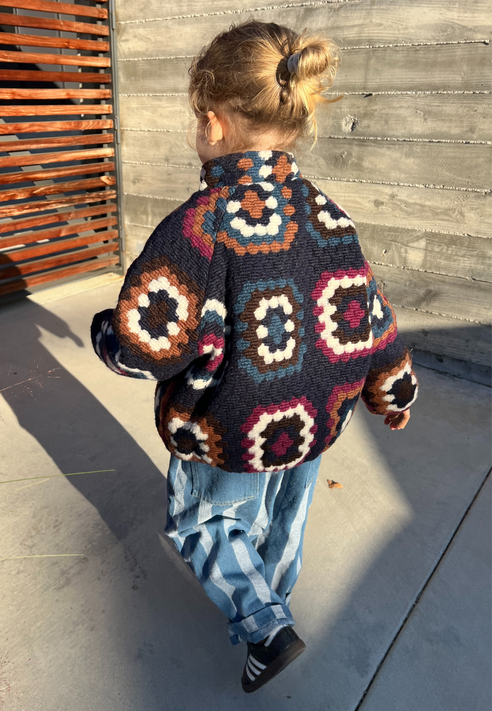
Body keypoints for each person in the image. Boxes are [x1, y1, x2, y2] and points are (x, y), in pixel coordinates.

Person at [91, 20, 418, 693]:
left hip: (230, 425)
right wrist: (393, 387)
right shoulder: (328, 215)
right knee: (282, 521)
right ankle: (272, 603)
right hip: (310, 421)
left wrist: (106, 336)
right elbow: (367, 311)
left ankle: (266, 628)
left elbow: (149, 343)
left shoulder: (199, 224)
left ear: (212, 124)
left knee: (205, 523)